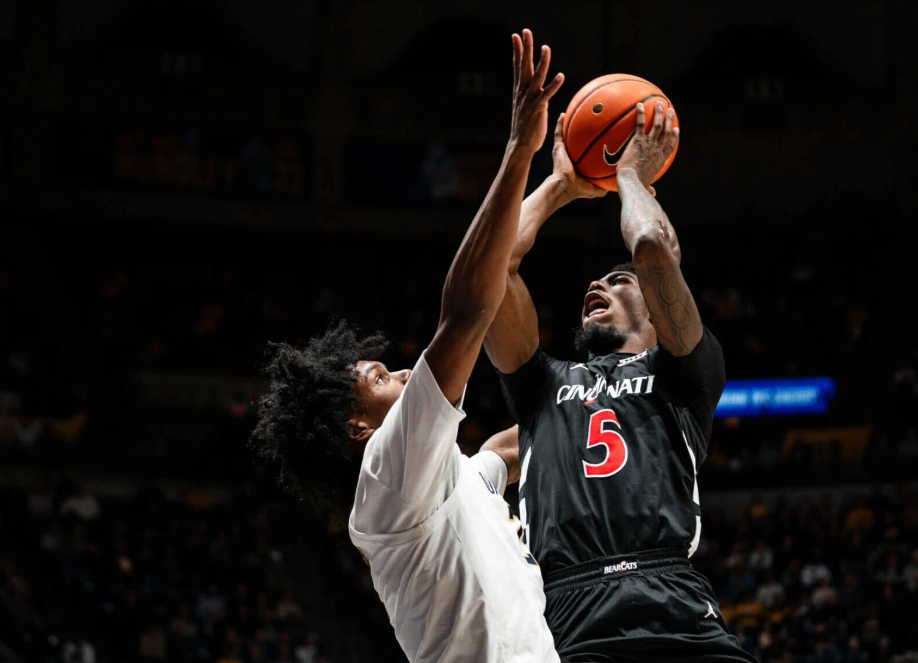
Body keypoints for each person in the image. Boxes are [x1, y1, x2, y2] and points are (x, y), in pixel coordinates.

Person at [251, 29, 564, 663]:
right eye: (377, 376)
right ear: (358, 425)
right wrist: (518, 152)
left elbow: (508, 448)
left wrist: (562, 187)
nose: (397, 370)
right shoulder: (388, 472)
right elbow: (470, 307)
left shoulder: (433, 484)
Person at [486, 99, 754, 662]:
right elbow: (492, 267)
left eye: (618, 279)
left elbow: (654, 249)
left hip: (673, 598)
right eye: (596, 280)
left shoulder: (683, 372)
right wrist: (560, 185)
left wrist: (629, 173)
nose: (598, 283)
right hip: (570, 608)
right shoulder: (543, 386)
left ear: (660, 309)